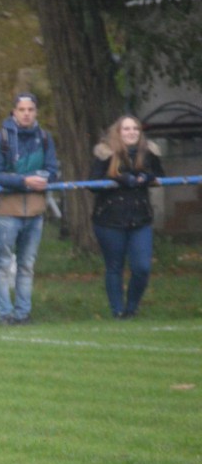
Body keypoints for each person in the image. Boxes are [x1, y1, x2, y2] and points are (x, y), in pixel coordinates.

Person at [0, 93, 59, 325]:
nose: (26, 113)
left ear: (35, 112)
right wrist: (25, 181)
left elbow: (52, 169)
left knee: (27, 265)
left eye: (30, 109)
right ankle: (5, 313)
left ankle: (23, 313)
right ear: (13, 112)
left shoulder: (45, 138)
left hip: (35, 212)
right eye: (22, 109)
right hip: (7, 212)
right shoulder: (0, 139)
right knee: (3, 264)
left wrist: (43, 178)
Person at [88, 114, 164, 319]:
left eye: (135, 129)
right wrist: (120, 179)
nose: (131, 133)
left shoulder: (149, 152)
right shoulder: (105, 153)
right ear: (118, 132)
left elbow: (160, 175)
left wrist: (147, 177)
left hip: (140, 218)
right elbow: (92, 184)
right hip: (109, 219)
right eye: (127, 129)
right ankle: (117, 311)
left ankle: (131, 307)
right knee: (114, 267)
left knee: (142, 267)